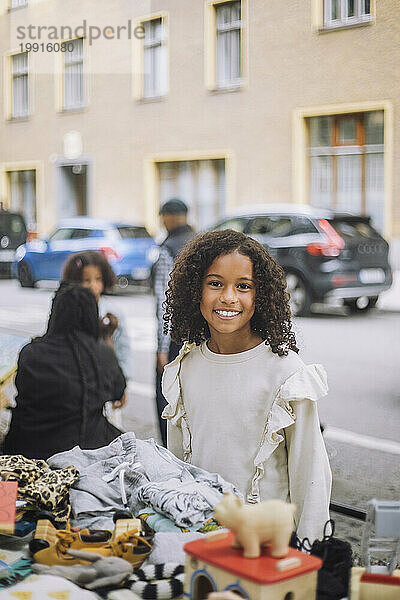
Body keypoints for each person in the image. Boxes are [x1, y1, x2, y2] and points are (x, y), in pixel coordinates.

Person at [161, 230, 332, 541]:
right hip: (198, 537)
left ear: (262, 294)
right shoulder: (184, 367)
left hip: (268, 544)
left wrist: (313, 552)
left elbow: (312, 478)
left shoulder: (287, 373)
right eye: (215, 284)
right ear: (193, 290)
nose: (228, 297)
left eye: (243, 287)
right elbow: (177, 464)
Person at [3, 283, 126, 460]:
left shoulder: (31, 353)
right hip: (84, 453)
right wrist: (106, 339)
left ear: (55, 314)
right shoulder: (101, 352)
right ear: (92, 315)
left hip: (26, 451)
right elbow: (118, 392)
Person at [62, 250, 131, 425]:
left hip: (109, 385)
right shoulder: (69, 312)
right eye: (87, 280)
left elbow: (123, 350)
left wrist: (123, 385)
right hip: (79, 389)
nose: (93, 286)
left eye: (98, 279)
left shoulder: (114, 312)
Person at [153, 198, 195, 446]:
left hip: (175, 339)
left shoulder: (167, 249)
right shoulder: (199, 242)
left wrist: (161, 346)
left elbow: (163, 301)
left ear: (167, 217)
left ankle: (170, 451)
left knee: (167, 397)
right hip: (200, 335)